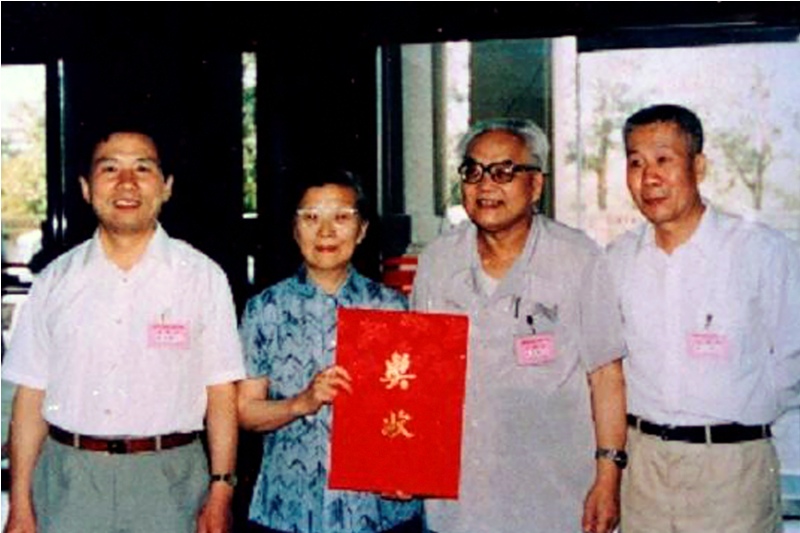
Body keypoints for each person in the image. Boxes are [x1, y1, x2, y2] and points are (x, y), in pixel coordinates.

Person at [2, 128, 246, 533]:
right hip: (68, 483)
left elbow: (222, 391)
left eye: (143, 168)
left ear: (166, 187)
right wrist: (20, 504)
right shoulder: (54, 281)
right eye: (110, 168)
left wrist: (221, 489)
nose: (127, 183)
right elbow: (30, 397)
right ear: (86, 188)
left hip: (171, 484)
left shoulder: (202, 277)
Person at [411, 118, 627, 533]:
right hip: (461, 498)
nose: (485, 185)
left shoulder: (578, 258)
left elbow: (606, 376)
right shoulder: (438, 260)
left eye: (503, 172)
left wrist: (608, 477)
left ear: (536, 185)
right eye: (473, 171)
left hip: (554, 495)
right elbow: (421, 377)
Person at [608, 103, 800, 533]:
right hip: (644, 469)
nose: (649, 177)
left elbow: (793, 356)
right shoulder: (617, 260)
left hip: (733, 471)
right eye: (636, 163)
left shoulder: (761, 252)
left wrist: (741, 413)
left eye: (663, 160)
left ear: (699, 166)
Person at [237, 169, 424, 533]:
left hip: (376, 513)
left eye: (341, 217)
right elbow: (245, 411)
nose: (325, 232)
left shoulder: (393, 309)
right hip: (288, 511)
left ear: (362, 230)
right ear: (295, 229)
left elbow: (414, 414)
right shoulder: (264, 309)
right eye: (310, 218)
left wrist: (408, 472)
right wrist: (300, 403)